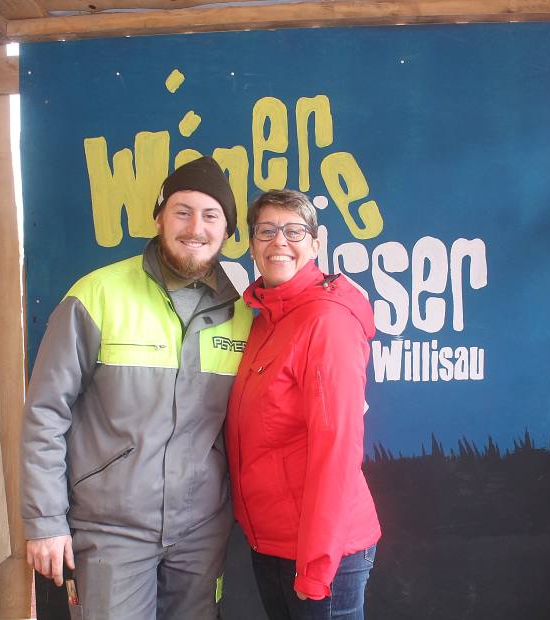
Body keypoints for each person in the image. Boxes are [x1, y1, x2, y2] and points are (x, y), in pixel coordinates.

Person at [21, 156, 252, 619]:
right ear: (159, 217)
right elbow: (45, 411)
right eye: (182, 212)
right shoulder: (97, 295)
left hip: (201, 533)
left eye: (211, 216)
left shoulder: (243, 315)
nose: (196, 228)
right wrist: (45, 519)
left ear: (227, 232)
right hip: (111, 530)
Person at [226, 189, 381, 619]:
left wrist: (316, 564)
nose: (279, 240)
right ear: (252, 246)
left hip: (323, 552)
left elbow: (337, 449)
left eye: (294, 231)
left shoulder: (327, 321)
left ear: (314, 245)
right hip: (271, 542)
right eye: (266, 231)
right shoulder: (264, 321)